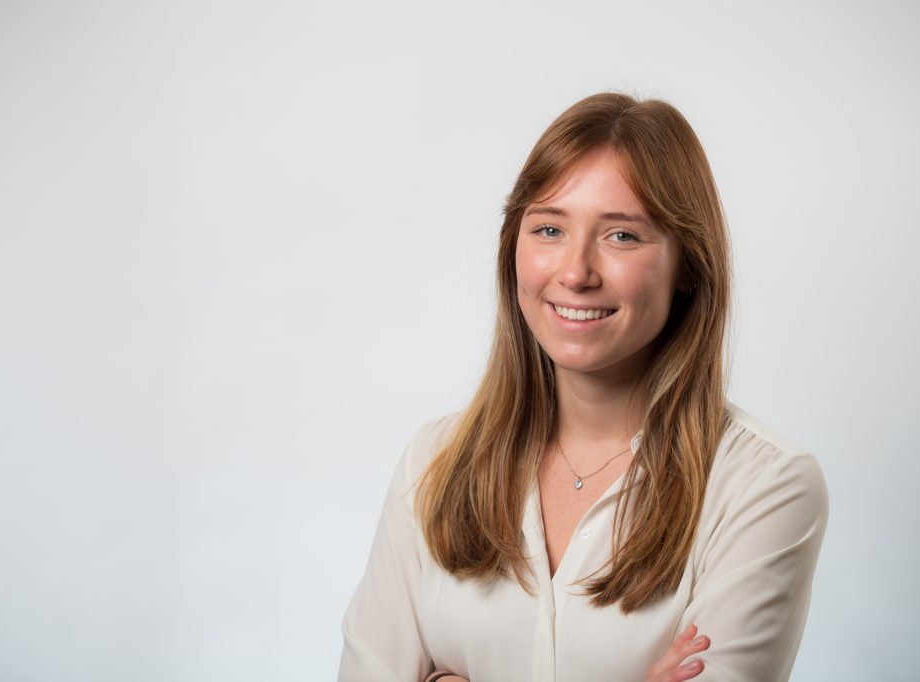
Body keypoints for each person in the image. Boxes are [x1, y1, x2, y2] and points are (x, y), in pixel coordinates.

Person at [338, 93, 828, 682]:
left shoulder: (766, 486)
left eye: (622, 236)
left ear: (689, 268)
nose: (575, 273)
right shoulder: (433, 462)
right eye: (548, 228)